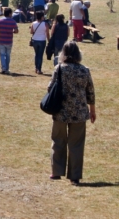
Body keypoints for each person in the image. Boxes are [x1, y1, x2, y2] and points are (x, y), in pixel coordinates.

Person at [48, 41, 96, 186]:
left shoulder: (60, 69)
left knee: (58, 140)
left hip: (60, 111)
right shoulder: (84, 70)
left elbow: (50, 88)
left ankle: (56, 171)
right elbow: (90, 92)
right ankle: (74, 176)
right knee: (76, 144)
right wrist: (92, 110)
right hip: (80, 112)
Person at [0, 8, 19, 75]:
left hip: (2, 40)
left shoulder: (0, 20)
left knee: (2, 55)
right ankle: (7, 68)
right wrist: (13, 31)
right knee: (8, 55)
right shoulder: (13, 21)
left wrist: (0, 30)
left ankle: (3, 68)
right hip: (9, 41)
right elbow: (16, 31)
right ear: (9, 14)